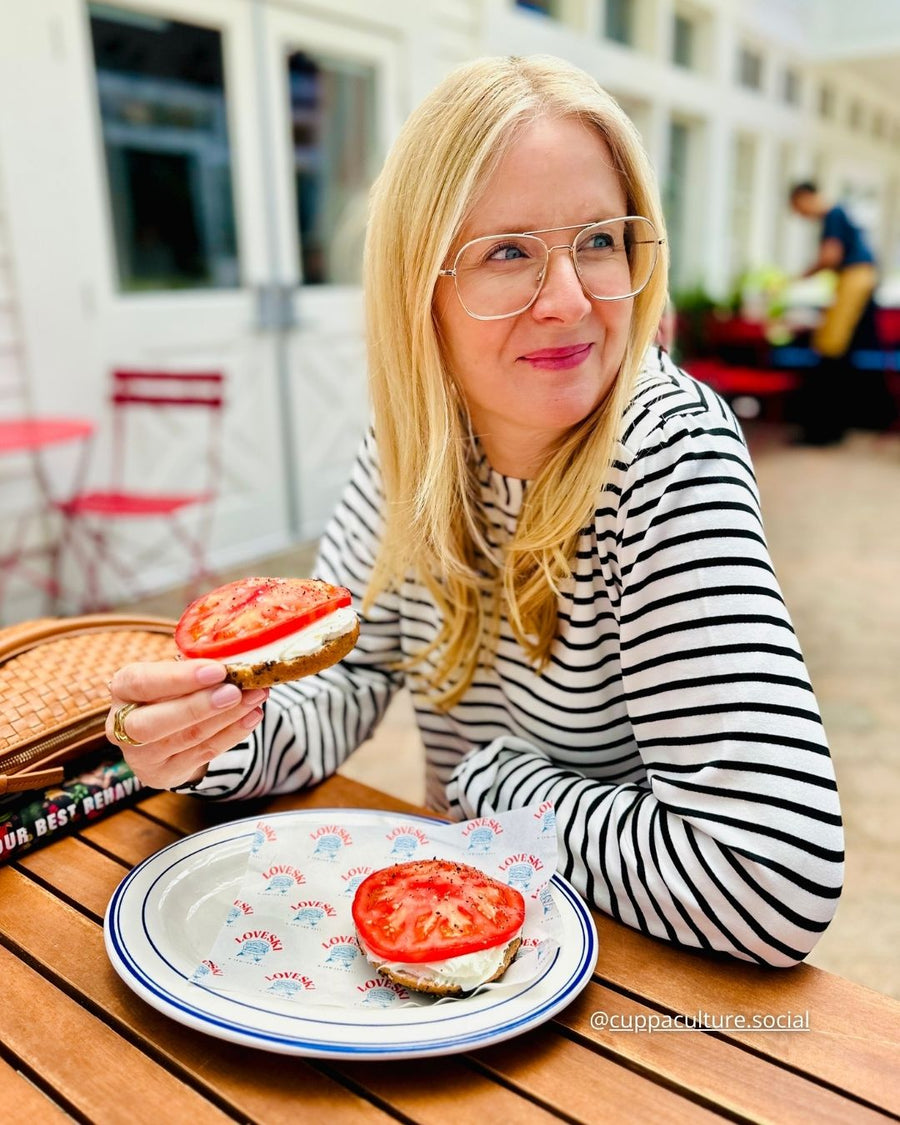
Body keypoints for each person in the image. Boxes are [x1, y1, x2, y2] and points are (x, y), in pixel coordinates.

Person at [107, 56, 843, 968]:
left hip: (643, 989)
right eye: (507, 252)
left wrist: (490, 785)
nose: (570, 301)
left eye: (602, 240)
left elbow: (775, 878)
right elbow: (342, 682)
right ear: (421, 291)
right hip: (463, 964)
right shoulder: (413, 443)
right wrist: (213, 736)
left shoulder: (668, 454)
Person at [788, 182, 880, 444]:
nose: (801, 215)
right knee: (836, 350)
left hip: (855, 278)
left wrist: (800, 277)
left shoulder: (833, 214)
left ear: (805, 198)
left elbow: (831, 256)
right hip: (856, 279)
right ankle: (830, 427)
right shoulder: (838, 213)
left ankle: (825, 429)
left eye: (799, 208)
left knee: (830, 348)